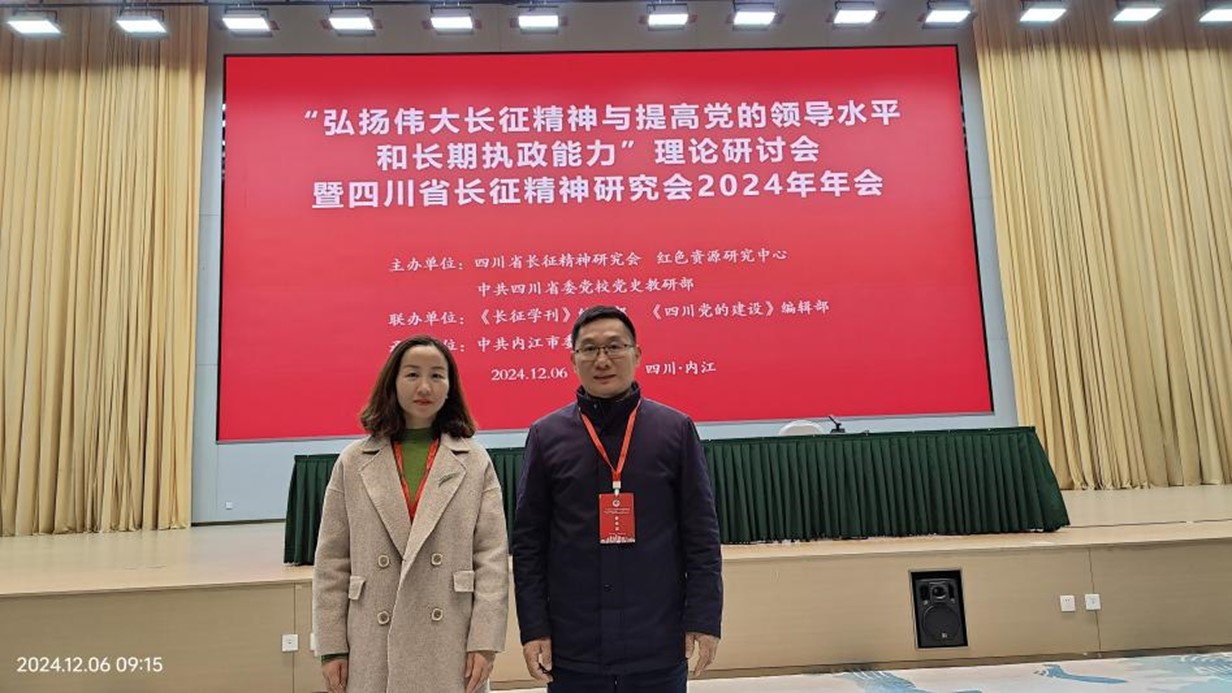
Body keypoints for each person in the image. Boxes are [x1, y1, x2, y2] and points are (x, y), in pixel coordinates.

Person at [512, 305, 723, 691]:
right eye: (589, 349)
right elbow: (529, 544)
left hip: (657, 643)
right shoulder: (546, 436)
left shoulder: (674, 430)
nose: (602, 360)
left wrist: (704, 618)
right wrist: (534, 628)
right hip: (573, 647)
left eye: (614, 346)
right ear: (573, 360)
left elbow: (701, 535)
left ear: (637, 354)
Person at [314, 335, 508, 693]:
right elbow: (332, 561)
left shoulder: (474, 460)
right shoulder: (354, 461)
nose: (425, 387)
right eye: (412, 374)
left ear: (450, 387)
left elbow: (491, 557)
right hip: (372, 636)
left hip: (451, 634)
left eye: (437, 375)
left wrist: (485, 641)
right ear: (393, 381)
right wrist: (332, 647)